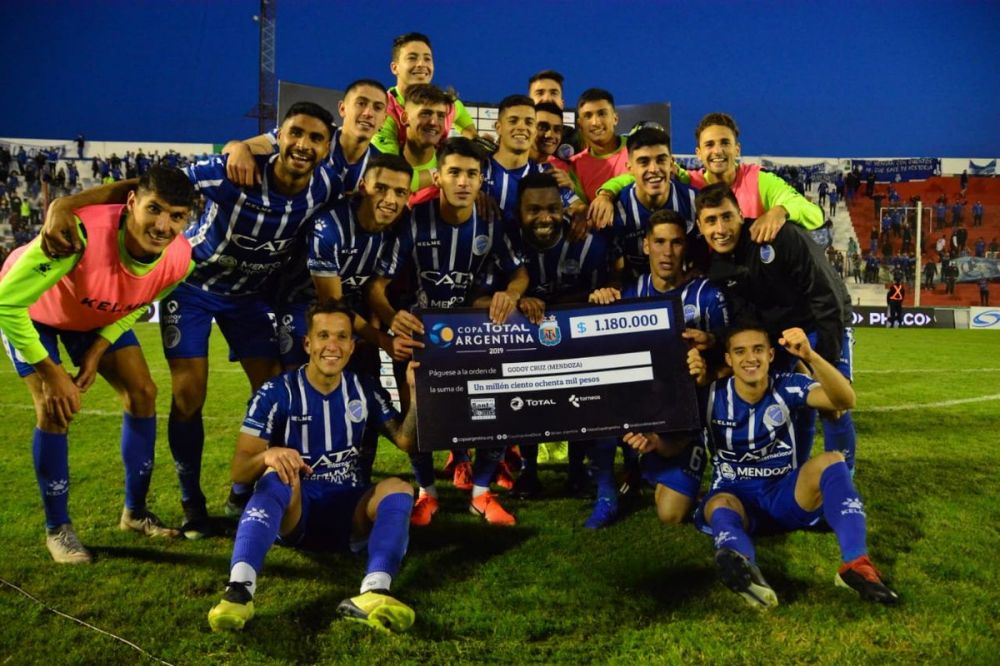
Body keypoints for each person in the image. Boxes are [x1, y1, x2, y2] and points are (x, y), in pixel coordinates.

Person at [42, 102, 344, 538]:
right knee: (189, 396)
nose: (304, 144)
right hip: (193, 290)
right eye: (295, 132)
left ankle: (245, 489)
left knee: (274, 393)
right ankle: (191, 502)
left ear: (327, 147)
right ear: (279, 135)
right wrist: (67, 204)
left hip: (249, 299)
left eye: (316, 138)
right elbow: (152, 186)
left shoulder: (327, 185)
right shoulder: (232, 172)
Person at [0, 166, 197, 563]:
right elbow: (6, 303)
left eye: (176, 216)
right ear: (131, 203)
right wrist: (52, 373)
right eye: (154, 209)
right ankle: (58, 529)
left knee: (143, 392)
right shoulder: (76, 234)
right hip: (33, 311)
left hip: (91, 314)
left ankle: (135, 513)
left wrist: (97, 348)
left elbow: (140, 302)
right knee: (55, 407)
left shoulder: (180, 260)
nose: (163, 226)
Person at [207, 300, 419, 633]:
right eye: (323, 336)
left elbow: (406, 441)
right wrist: (267, 456)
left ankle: (375, 590)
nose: (332, 345)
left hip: (350, 512)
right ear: (308, 344)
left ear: (352, 346)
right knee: (277, 472)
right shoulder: (276, 392)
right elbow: (240, 470)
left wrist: (416, 395)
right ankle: (239, 590)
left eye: (341, 337)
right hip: (297, 512)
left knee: (400, 488)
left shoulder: (364, 388)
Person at [368, 137, 529, 526]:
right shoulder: (414, 220)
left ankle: (480, 494)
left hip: (471, 336)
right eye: (454, 172)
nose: (463, 181)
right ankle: (428, 493)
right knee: (418, 418)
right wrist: (392, 318)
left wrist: (509, 294)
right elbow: (376, 286)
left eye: (471, 174)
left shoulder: (490, 223)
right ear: (437, 177)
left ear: (481, 180)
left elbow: (520, 273)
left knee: (490, 413)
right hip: (422, 335)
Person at [689, 323, 898, 609]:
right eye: (740, 352)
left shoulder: (787, 385)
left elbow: (844, 400)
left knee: (832, 461)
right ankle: (744, 568)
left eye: (758, 350)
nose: (750, 358)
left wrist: (810, 356)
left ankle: (856, 564)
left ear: (771, 355)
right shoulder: (710, 394)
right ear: (728, 359)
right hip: (735, 497)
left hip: (785, 495)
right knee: (719, 504)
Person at [695, 183, 858, 472]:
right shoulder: (719, 268)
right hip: (780, 336)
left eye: (727, 217)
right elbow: (745, 322)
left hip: (822, 321)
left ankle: (844, 479)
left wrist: (825, 363)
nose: (720, 229)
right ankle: (797, 474)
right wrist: (714, 340)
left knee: (832, 404)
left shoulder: (780, 236)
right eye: (711, 220)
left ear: (741, 215)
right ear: (700, 226)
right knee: (793, 405)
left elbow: (826, 297)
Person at [588, 209, 728, 528]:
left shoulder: (707, 295)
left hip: (685, 419)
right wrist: (598, 303)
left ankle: (656, 464)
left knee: (671, 514)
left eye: (676, 243)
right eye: (660, 242)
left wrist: (708, 357)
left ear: (685, 247)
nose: (668, 252)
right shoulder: (629, 294)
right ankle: (607, 492)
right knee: (599, 397)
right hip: (640, 406)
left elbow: (732, 354)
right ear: (646, 246)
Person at [506, 172, 612, 501]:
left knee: (581, 396)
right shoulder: (507, 240)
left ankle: (578, 469)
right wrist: (519, 301)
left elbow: (605, 288)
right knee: (524, 399)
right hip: (524, 340)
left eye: (553, 208)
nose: (545, 217)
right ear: (519, 212)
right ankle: (528, 470)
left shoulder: (589, 244)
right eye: (534, 210)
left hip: (574, 338)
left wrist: (597, 295)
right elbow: (497, 290)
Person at [374, 32, 477, 162]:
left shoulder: (449, 104)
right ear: (395, 68)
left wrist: (476, 144)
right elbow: (391, 169)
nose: (421, 64)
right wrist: (437, 171)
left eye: (427, 59)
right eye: (412, 58)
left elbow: (470, 133)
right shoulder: (383, 110)